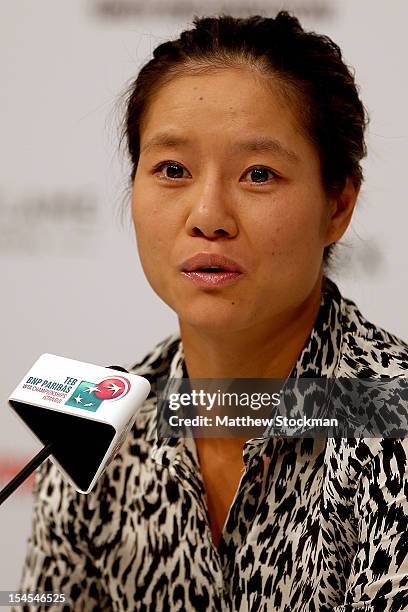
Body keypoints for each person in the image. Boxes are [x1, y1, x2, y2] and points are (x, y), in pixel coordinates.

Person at [15, 11, 408, 612]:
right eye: (172, 169)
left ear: (338, 205)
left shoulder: (390, 419)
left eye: (259, 174)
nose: (208, 215)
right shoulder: (91, 423)